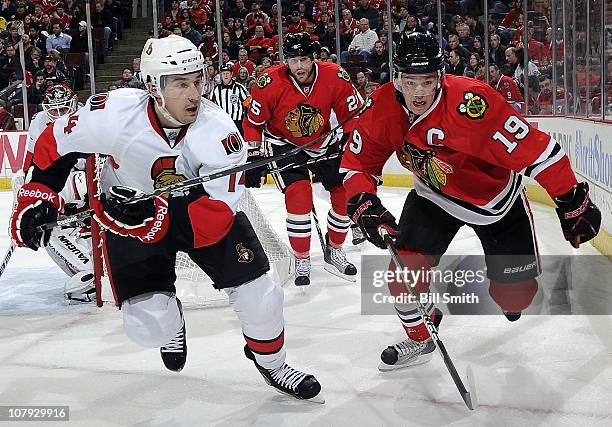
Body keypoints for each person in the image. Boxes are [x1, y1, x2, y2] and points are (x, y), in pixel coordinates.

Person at [9, 35, 323, 402]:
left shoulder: (220, 132)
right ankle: (171, 325)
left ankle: (273, 365)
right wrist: (38, 195)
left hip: (197, 214)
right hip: (124, 211)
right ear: (152, 88)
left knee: (262, 297)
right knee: (149, 327)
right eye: (180, 84)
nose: (194, 94)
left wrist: (153, 219)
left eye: (197, 80)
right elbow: (53, 144)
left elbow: (217, 217)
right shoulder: (113, 113)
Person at [341, 32, 601, 371]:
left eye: (427, 81)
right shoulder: (382, 105)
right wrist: (363, 202)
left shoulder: (472, 102)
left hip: (496, 204)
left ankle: (510, 290)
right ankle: (421, 335)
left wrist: (571, 199)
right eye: (410, 81)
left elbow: (539, 151)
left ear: (440, 78)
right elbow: (357, 164)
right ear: (396, 78)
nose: (418, 92)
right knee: (402, 273)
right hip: (433, 197)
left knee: (514, 299)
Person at [243, 32, 361, 287]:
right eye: (294, 60)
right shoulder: (268, 83)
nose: (299, 66)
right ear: (286, 61)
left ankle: (335, 248)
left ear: (314, 58)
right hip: (283, 145)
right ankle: (302, 257)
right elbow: (252, 123)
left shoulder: (334, 76)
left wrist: (353, 147)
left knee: (343, 193)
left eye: (304, 59)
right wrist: (253, 156)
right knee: (299, 196)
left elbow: (353, 116)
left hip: (324, 141)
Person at [11, 84, 94, 301]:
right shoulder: (39, 121)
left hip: (92, 181)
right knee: (43, 221)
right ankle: (87, 267)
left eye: (63, 109)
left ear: (74, 105)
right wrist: (26, 194)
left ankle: (101, 259)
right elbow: (32, 163)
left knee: (78, 185)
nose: (58, 115)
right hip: (59, 183)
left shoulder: (88, 119)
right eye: (54, 110)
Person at [210, 62, 249, 134]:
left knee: (237, 144)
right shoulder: (215, 89)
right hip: (221, 122)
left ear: (231, 74)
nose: (225, 75)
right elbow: (211, 106)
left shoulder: (239, 88)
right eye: (223, 73)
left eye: (227, 73)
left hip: (237, 122)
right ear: (221, 75)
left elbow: (247, 104)